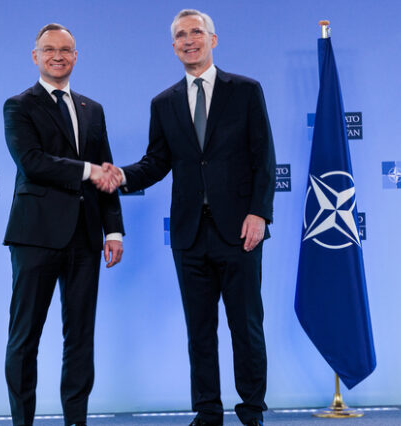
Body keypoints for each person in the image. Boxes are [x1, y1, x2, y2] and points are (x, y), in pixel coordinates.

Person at [100, 9, 275, 426]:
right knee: (200, 331)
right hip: (189, 236)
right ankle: (208, 412)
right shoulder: (164, 103)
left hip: (240, 230)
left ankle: (251, 411)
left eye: (196, 32)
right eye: (180, 35)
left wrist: (260, 214)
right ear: (173, 46)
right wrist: (122, 175)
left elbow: (263, 159)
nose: (189, 40)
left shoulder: (246, 91)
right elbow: (157, 162)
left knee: (246, 327)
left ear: (214, 40)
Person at [2, 23, 125, 426]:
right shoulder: (18, 106)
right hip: (35, 237)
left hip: (86, 238)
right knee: (25, 338)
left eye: (66, 49)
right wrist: (89, 171)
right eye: (49, 49)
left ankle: (76, 421)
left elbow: (106, 173)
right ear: (34, 55)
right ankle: (23, 422)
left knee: (79, 339)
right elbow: (33, 163)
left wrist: (113, 229)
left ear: (76, 56)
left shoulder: (93, 109)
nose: (58, 55)